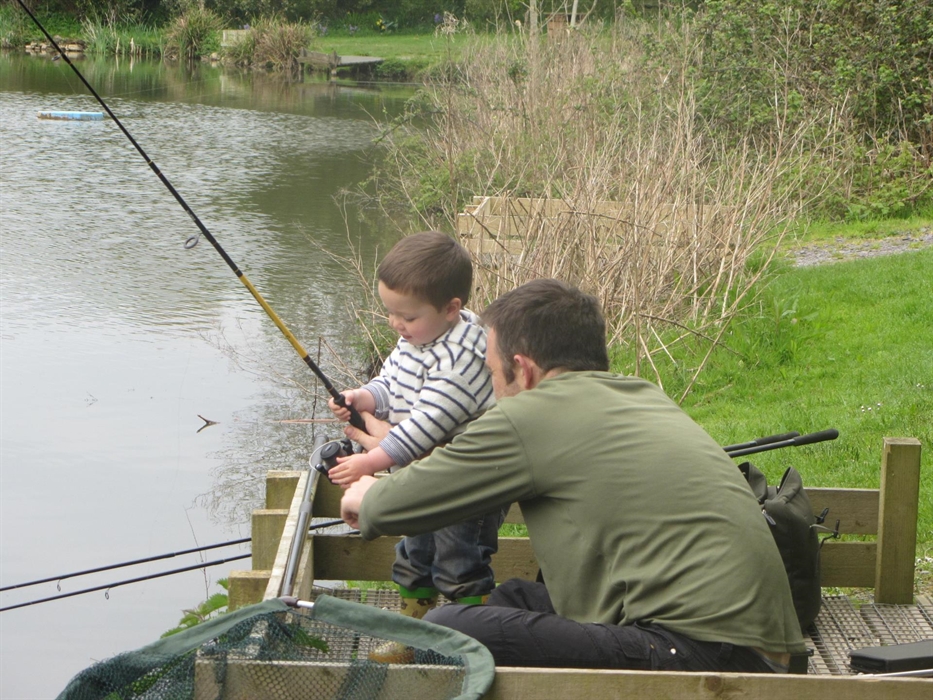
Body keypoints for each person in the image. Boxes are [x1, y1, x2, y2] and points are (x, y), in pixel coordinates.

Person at [340, 278, 806, 673]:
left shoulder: (532, 414)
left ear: (523, 370)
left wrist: (367, 492)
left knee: (451, 629)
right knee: (517, 597)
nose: (493, 389)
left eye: (491, 373)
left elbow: (406, 499)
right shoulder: (639, 394)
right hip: (759, 647)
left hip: (702, 655)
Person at [327, 231, 502, 661]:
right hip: (423, 473)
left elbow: (422, 429)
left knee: (460, 561)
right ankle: (411, 635)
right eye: (390, 312)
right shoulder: (418, 336)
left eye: (405, 316)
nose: (395, 324)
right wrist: (362, 397)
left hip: (466, 482)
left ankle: (466, 643)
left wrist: (368, 463)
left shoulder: (461, 359)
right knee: (413, 552)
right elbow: (391, 383)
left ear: (451, 309)